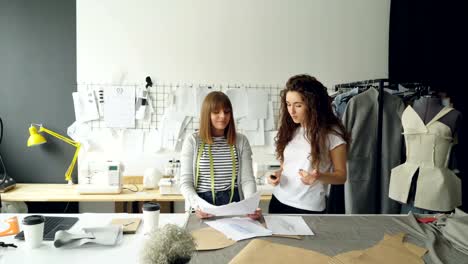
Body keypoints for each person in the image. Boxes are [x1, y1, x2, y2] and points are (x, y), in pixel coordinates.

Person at [268, 74, 349, 214]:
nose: (291, 111)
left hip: (308, 208)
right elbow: (286, 165)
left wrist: (318, 176)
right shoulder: (291, 129)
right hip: (278, 201)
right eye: (288, 104)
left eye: (298, 105)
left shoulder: (332, 134)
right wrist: (277, 174)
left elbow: (341, 176)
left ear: (313, 105)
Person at [180, 91, 260, 219]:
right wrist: (197, 205)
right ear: (207, 114)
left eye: (227, 112)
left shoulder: (241, 141)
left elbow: (247, 180)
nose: (223, 116)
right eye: (216, 112)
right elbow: (185, 183)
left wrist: (251, 205)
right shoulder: (193, 141)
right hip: (202, 205)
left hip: (234, 203)